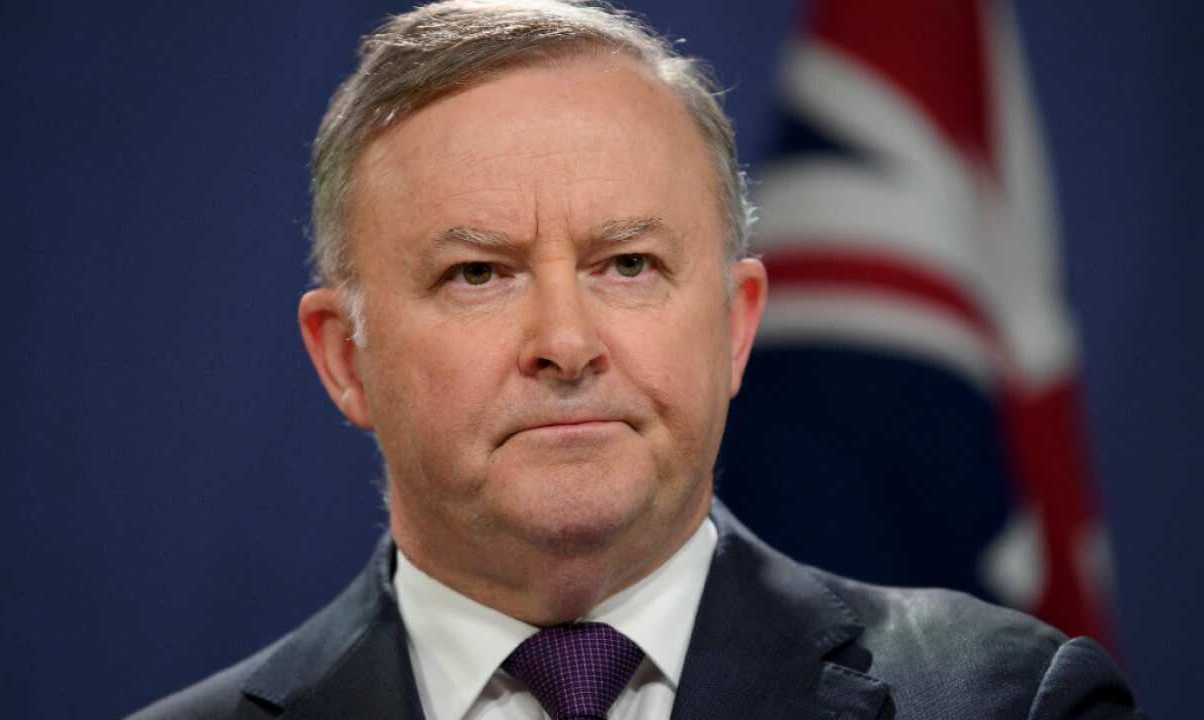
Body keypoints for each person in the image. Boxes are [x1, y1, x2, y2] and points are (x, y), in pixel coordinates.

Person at [129, 1, 1144, 718]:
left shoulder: (1007, 704)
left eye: (627, 264)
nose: (566, 345)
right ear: (345, 357)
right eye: (479, 274)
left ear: (734, 324)